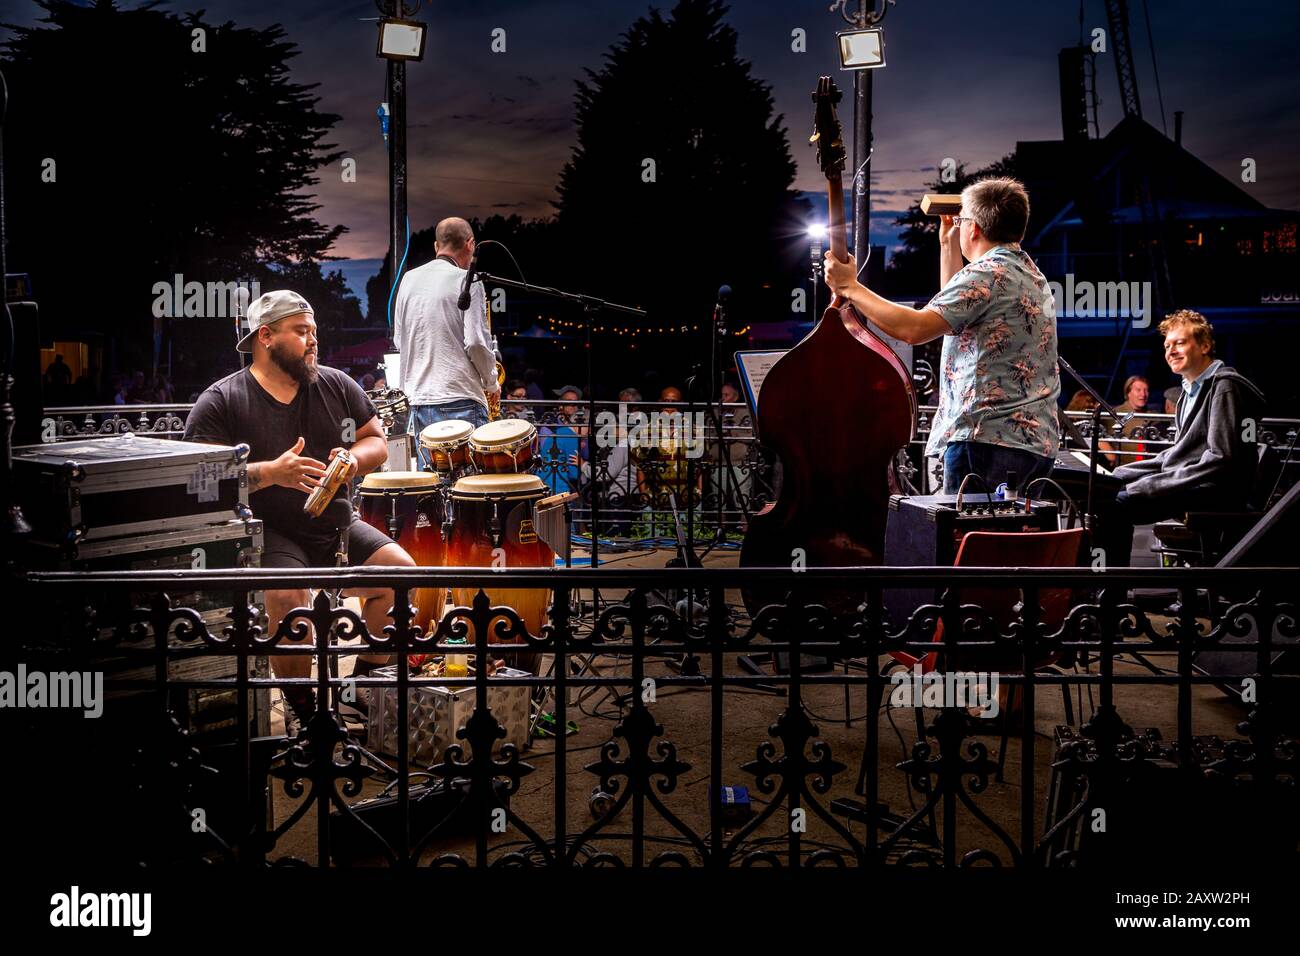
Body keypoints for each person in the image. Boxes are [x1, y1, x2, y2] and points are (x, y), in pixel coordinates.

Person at [183, 290, 416, 732]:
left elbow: (376, 440)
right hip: (265, 530)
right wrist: (270, 472)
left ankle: (360, 687)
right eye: (301, 331)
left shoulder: (335, 383)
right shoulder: (222, 399)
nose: (313, 341)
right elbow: (197, 479)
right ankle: (306, 711)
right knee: (289, 599)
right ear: (266, 336)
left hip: (334, 522)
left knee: (400, 575)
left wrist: (353, 460)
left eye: (314, 331)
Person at [824, 176, 1060, 494]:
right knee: (1005, 540)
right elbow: (955, 315)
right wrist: (948, 243)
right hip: (1031, 443)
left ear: (974, 227)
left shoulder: (985, 274)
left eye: (963, 221)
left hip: (985, 443)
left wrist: (850, 288)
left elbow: (914, 329)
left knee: (965, 542)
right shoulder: (1029, 273)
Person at [1098, 310, 1265, 565]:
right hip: (1197, 484)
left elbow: (1220, 459)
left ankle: (1112, 596)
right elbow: (1176, 454)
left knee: (1115, 506)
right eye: (1167, 345)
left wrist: (1151, 485)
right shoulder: (1189, 391)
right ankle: (1105, 587)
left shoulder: (1224, 387)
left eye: (1180, 342)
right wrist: (1116, 476)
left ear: (1205, 345)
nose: (1171, 351)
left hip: (1214, 491)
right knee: (1105, 493)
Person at [393, 217, 499, 468]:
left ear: (436, 246)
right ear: (470, 244)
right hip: (460, 397)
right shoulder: (469, 280)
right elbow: (475, 342)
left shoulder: (408, 279)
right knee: (469, 491)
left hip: (418, 400)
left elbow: (399, 339)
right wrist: (492, 383)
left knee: (432, 489)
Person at [541, 385, 584, 494]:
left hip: (551, 484)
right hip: (560, 485)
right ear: (560, 405)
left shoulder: (575, 432)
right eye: (569, 402)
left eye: (576, 403)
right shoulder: (550, 427)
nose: (573, 406)